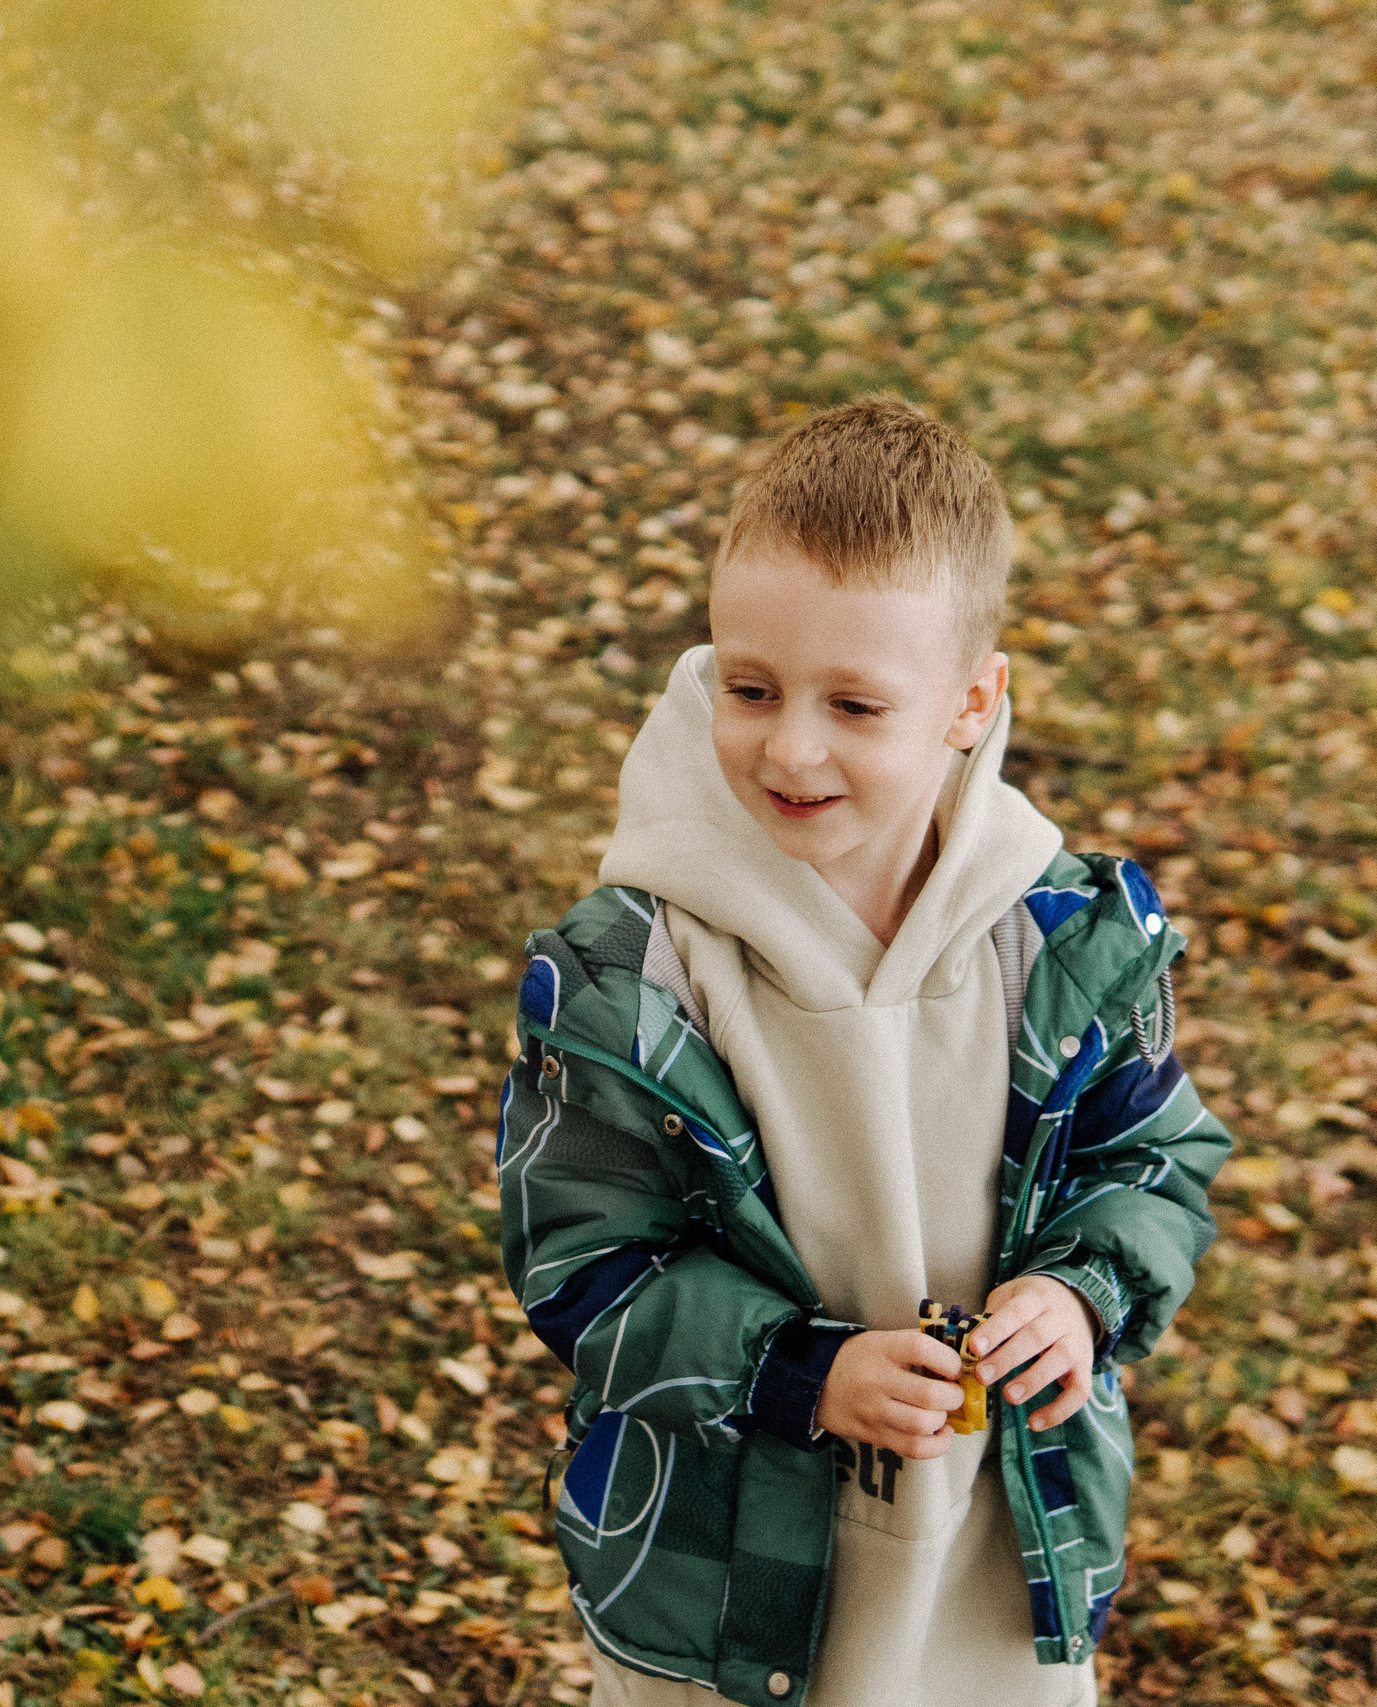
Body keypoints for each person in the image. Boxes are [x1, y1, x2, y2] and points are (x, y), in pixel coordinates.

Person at [494, 398, 1229, 1707]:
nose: (791, 746)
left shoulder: (1068, 944)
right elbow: (584, 1262)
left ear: (969, 703)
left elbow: (1152, 1163)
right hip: (724, 1558)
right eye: (754, 687)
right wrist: (802, 1372)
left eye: (855, 704)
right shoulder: (634, 976)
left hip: (993, 1551)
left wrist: (1081, 1295)